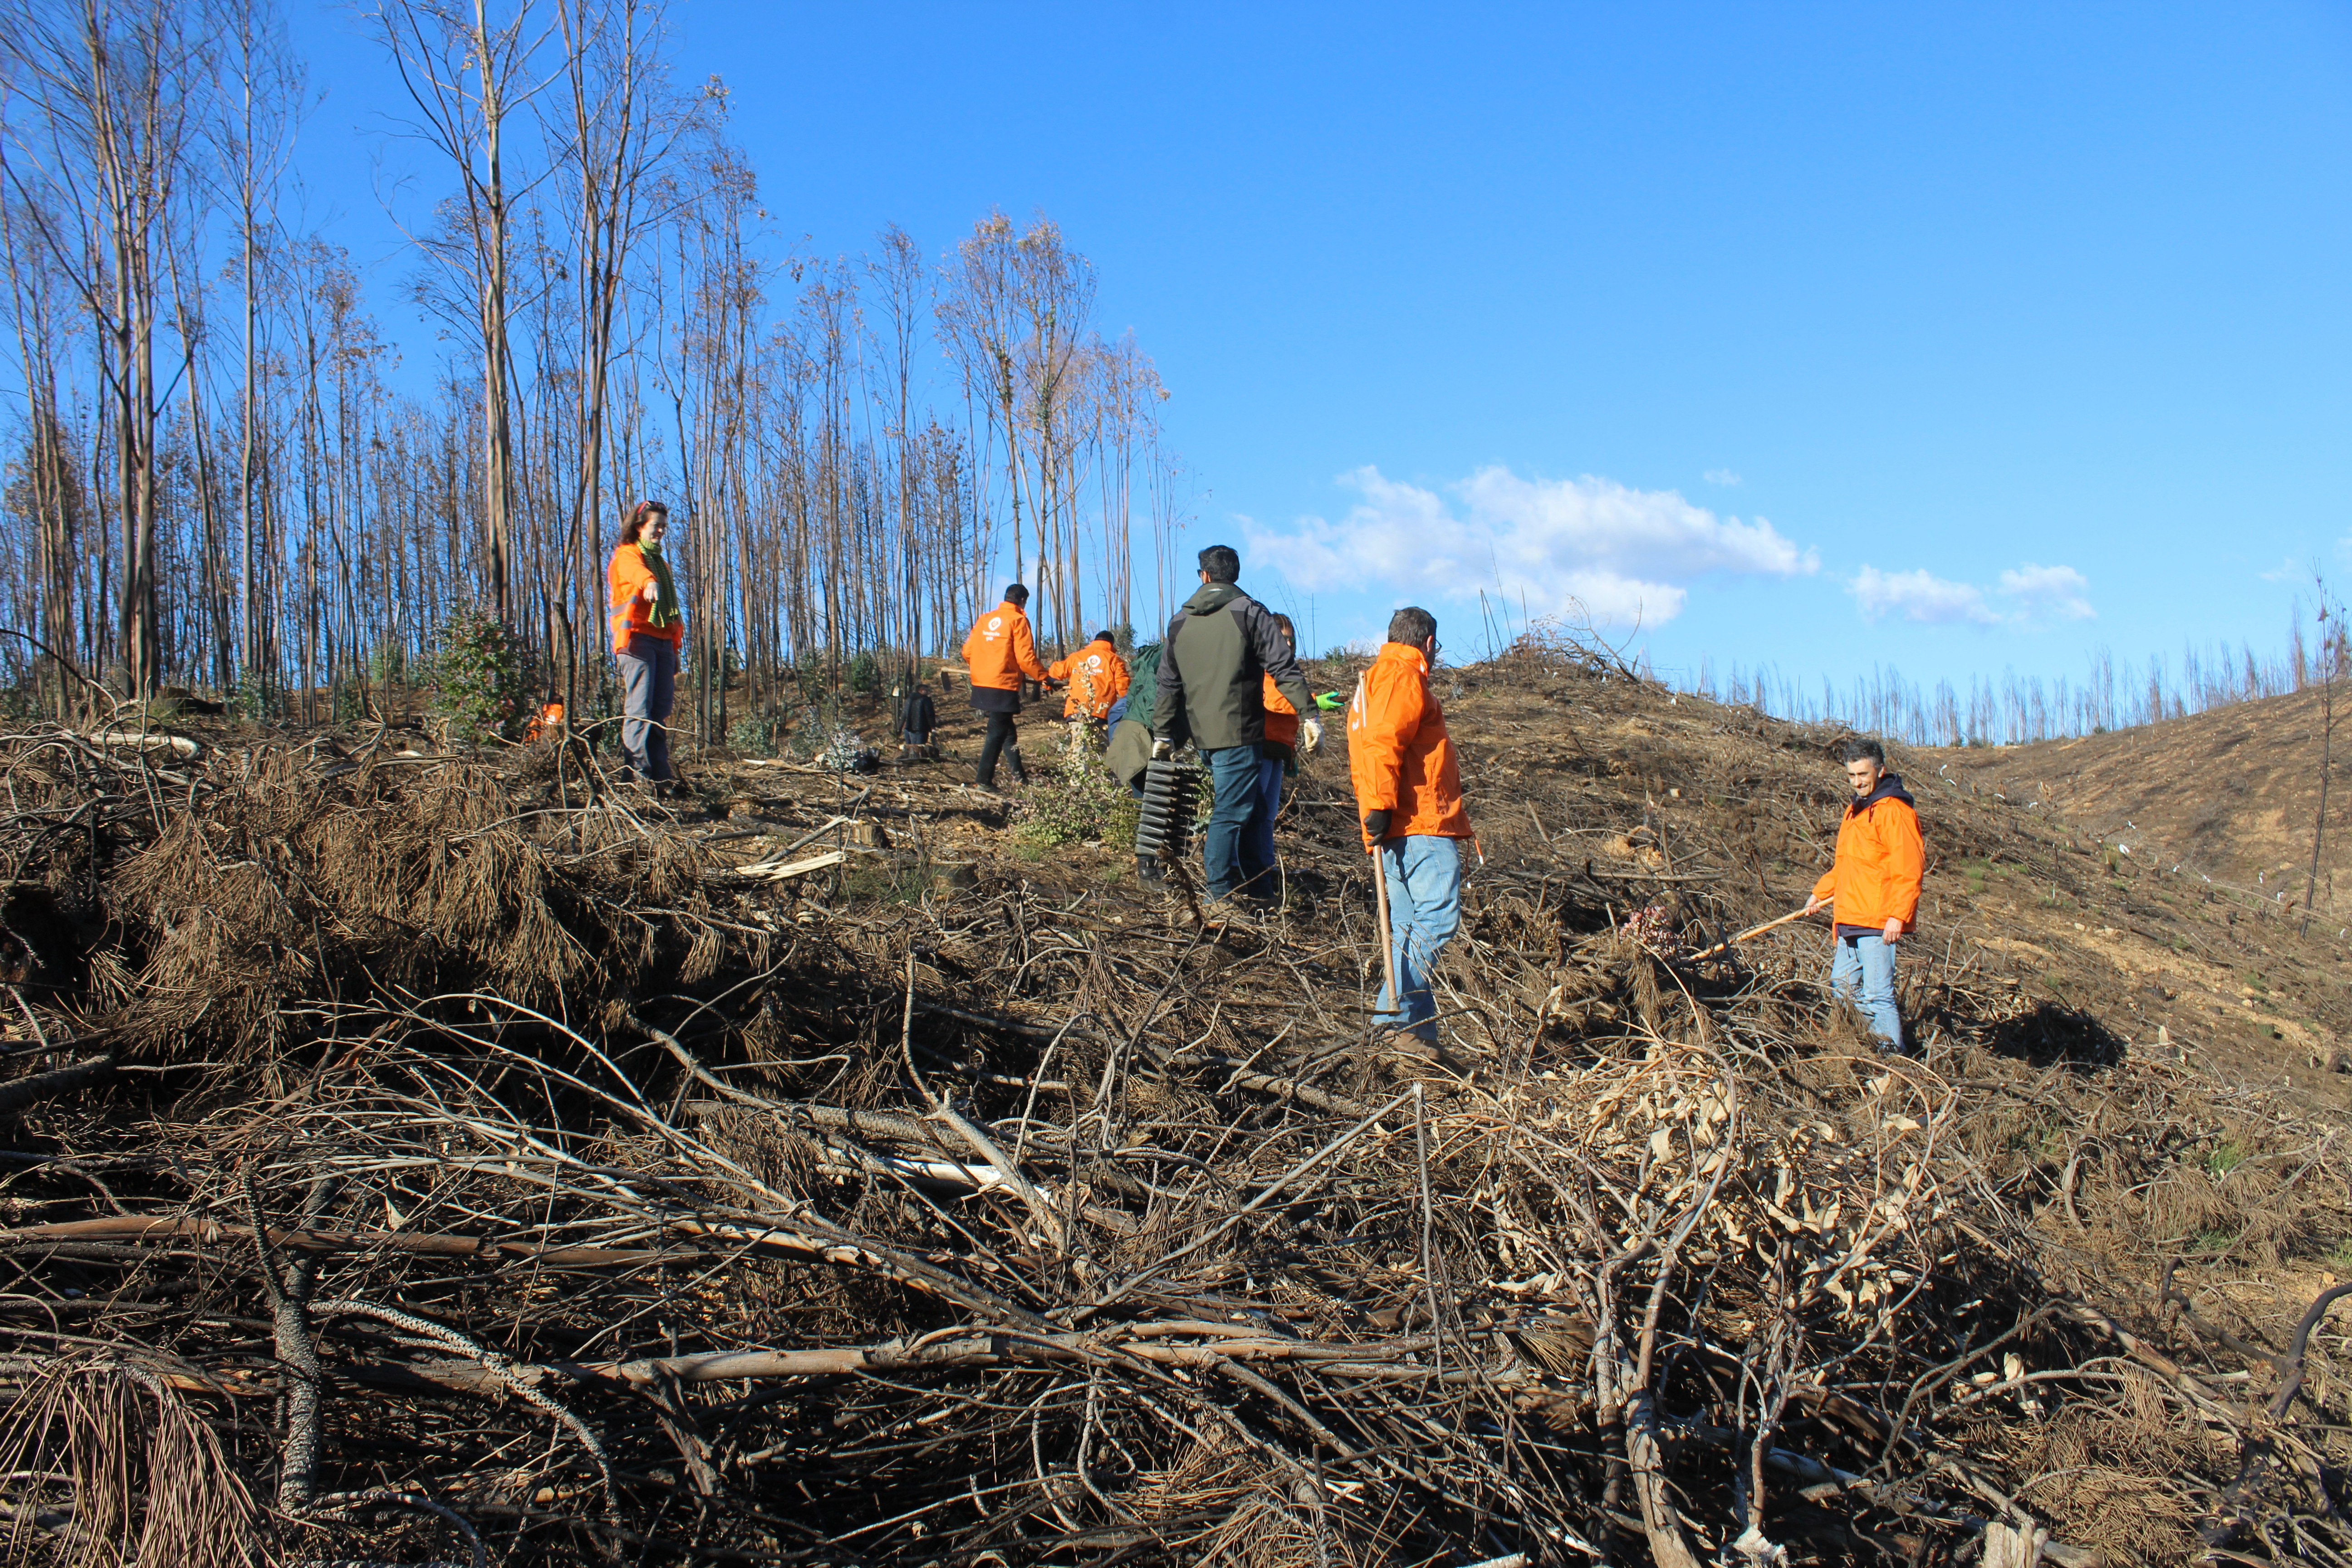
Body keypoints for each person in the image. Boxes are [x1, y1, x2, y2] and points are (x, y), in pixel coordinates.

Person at [1152, 545, 1321, 914]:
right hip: (1240, 733)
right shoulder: (1249, 612)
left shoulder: (1180, 621)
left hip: (1204, 737)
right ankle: (1219, 895)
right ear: (1235, 575)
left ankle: (1259, 888)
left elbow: (1168, 682)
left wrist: (1163, 733)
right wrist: (1310, 714)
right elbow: (1282, 666)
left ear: (1205, 576)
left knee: (1255, 809)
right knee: (1232, 810)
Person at [1348, 606, 1472, 1049]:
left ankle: (1418, 1040)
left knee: (1404, 932)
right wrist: (1380, 805)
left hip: (1394, 829)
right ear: (1428, 643)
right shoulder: (1402, 676)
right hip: (1419, 822)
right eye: (1436, 646)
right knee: (1437, 917)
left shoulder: (1373, 682)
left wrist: (1376, 813)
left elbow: (1369, 747)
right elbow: (1383, 741)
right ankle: (1392, 1022)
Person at [1804, 738, 1924, 1054]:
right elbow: (1846, 867)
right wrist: (1820, 894)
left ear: (1880, 771)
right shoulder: (1855, 812)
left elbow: (1909, 868)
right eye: (1852, 776)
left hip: (1878, 921)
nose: (1858, 782)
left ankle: (1891, 1061)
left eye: (1863, 774)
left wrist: (1898, 915)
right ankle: (1862, 1046)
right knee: (1841, 989)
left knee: (1878, 995)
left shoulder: (1895, 812)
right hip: (1848, 919)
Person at [607, 500, 683, 791]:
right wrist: (649, 582)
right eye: (656, 525)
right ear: (639, 527)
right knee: (640, 707)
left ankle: (661, 777)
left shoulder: (660, 563)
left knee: (660, 709)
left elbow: (671, 611)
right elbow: (635, 572)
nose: (661, 531)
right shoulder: (628, 556)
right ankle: (636, 776)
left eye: (664, 526)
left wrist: (675, 648)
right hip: (637, 641)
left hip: (664, 642)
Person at [961, 584, 1051, 789]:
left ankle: (1021, 779)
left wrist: (982, 668)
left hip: (981, 682)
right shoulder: (1018, 621)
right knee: (997, 732)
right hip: (1002, 684)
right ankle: (983, 780)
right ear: (1022, 601)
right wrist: (1044, 677)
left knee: (1007, 730)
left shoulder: (985, 619)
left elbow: (967, 651)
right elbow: (1026, 659)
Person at [1244, 613, 1305, 899]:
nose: (1290, 646)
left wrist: (1290, 755)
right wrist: (1311, 703)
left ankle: (1265, 867)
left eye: (1292, 640)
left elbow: (1287, 719)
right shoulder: (1265, 668)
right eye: (1285, 639)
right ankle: (1241, 868)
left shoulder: (1286, 671)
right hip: (1261, 745)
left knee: (1267, 816)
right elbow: (1275, 701)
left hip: (1277, 750)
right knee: (1253, 814)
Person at [1048, 630, 1131, 745]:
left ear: (1094, 641)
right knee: (1105, 751)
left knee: (1078, 752)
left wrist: (1047, 684)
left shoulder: (1077, 656)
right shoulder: (1114, 660)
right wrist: (1130, 706)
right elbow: (1123, 687)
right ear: (1111, 644)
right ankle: (1105, 763)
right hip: (1101, 713)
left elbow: (1056, 671)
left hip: (1077, 710)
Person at [897, 680, 937, 751]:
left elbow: (904, 715)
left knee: (909, 750)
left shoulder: (909, 699)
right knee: (919, 750)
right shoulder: (925, 700)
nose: (928, 692)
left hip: (908, 729)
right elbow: (930, 714)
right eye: (927, 691)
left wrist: (899, 728)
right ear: (922, 691)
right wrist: (933, 728)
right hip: (921, 729)